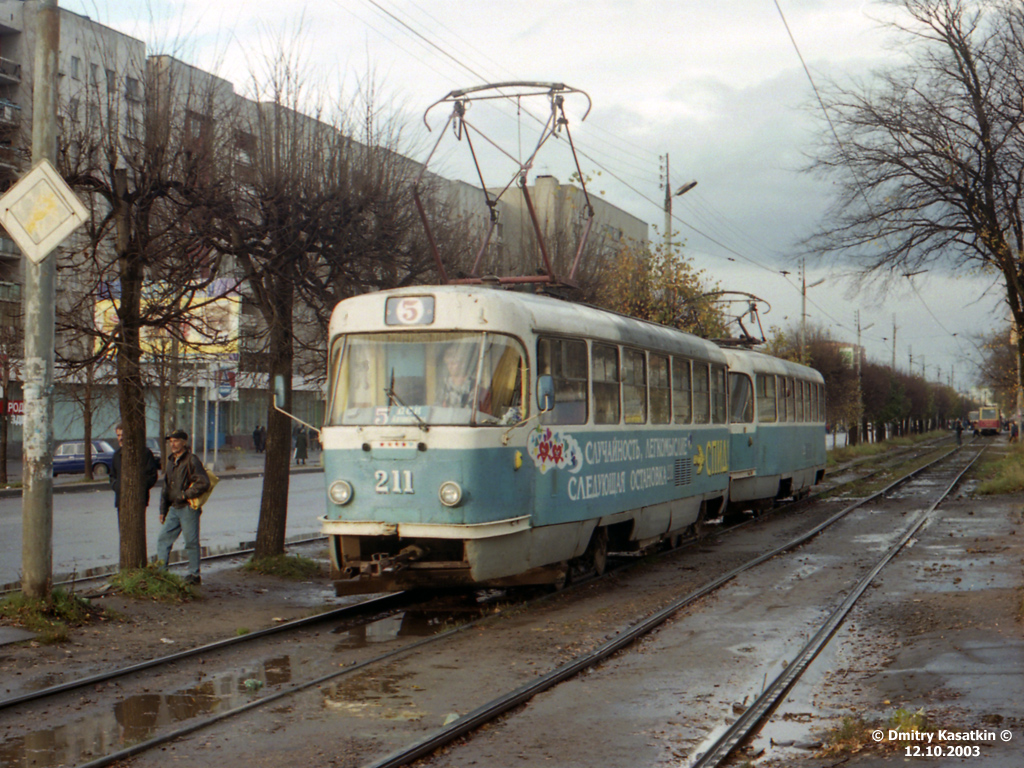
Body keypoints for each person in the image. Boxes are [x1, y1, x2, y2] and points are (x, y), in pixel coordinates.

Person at [158, 430, 210, 585]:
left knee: (191, 542)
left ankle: (194, 575)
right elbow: (166, 487)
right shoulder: (170, 461)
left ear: (184, 442)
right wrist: (163, 510)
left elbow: (204, 482)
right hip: (173, 508)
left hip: (187, 508)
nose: (172, 444)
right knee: (163, 539)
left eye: (176, 441)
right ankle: (161, 573)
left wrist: (185, 495)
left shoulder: (191, 460)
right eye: (170, 441)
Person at [110, 424, 160, 522]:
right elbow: (112, 476)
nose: (120, 438)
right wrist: (117, 486)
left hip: (138, 500)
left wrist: (139, 488)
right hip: (121, 500)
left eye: (123, 435)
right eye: (118, 435)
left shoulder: (144, 453)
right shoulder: (116, 455)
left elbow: (152, 475)